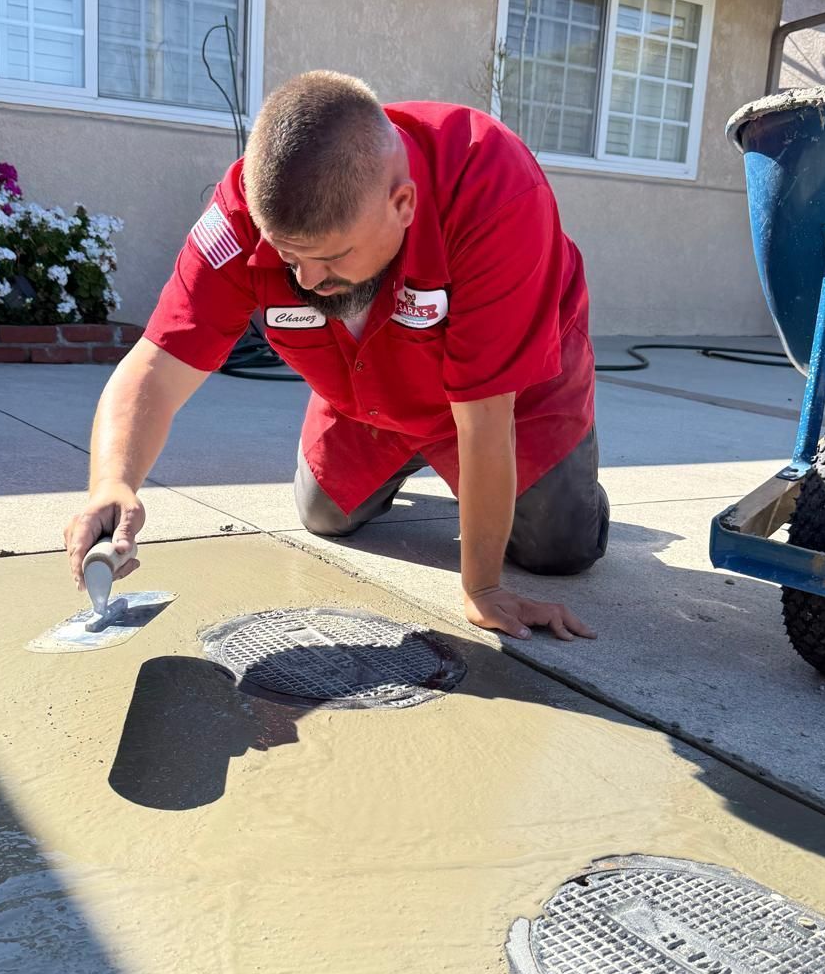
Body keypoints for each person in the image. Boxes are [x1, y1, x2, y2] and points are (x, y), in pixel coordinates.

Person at [65, 71, 608, 642]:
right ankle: (416, 457)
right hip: (368, 393)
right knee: (325, 516)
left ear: (403, 204)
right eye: (286, 256)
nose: (305, 279)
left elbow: (484, 419)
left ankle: (569, 488)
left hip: (508, 398)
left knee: (557, 549)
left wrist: (482, 588)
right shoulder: (241, 216)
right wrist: (113, 483)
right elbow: (155, 367)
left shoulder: (495, 191)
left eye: (330, 257)